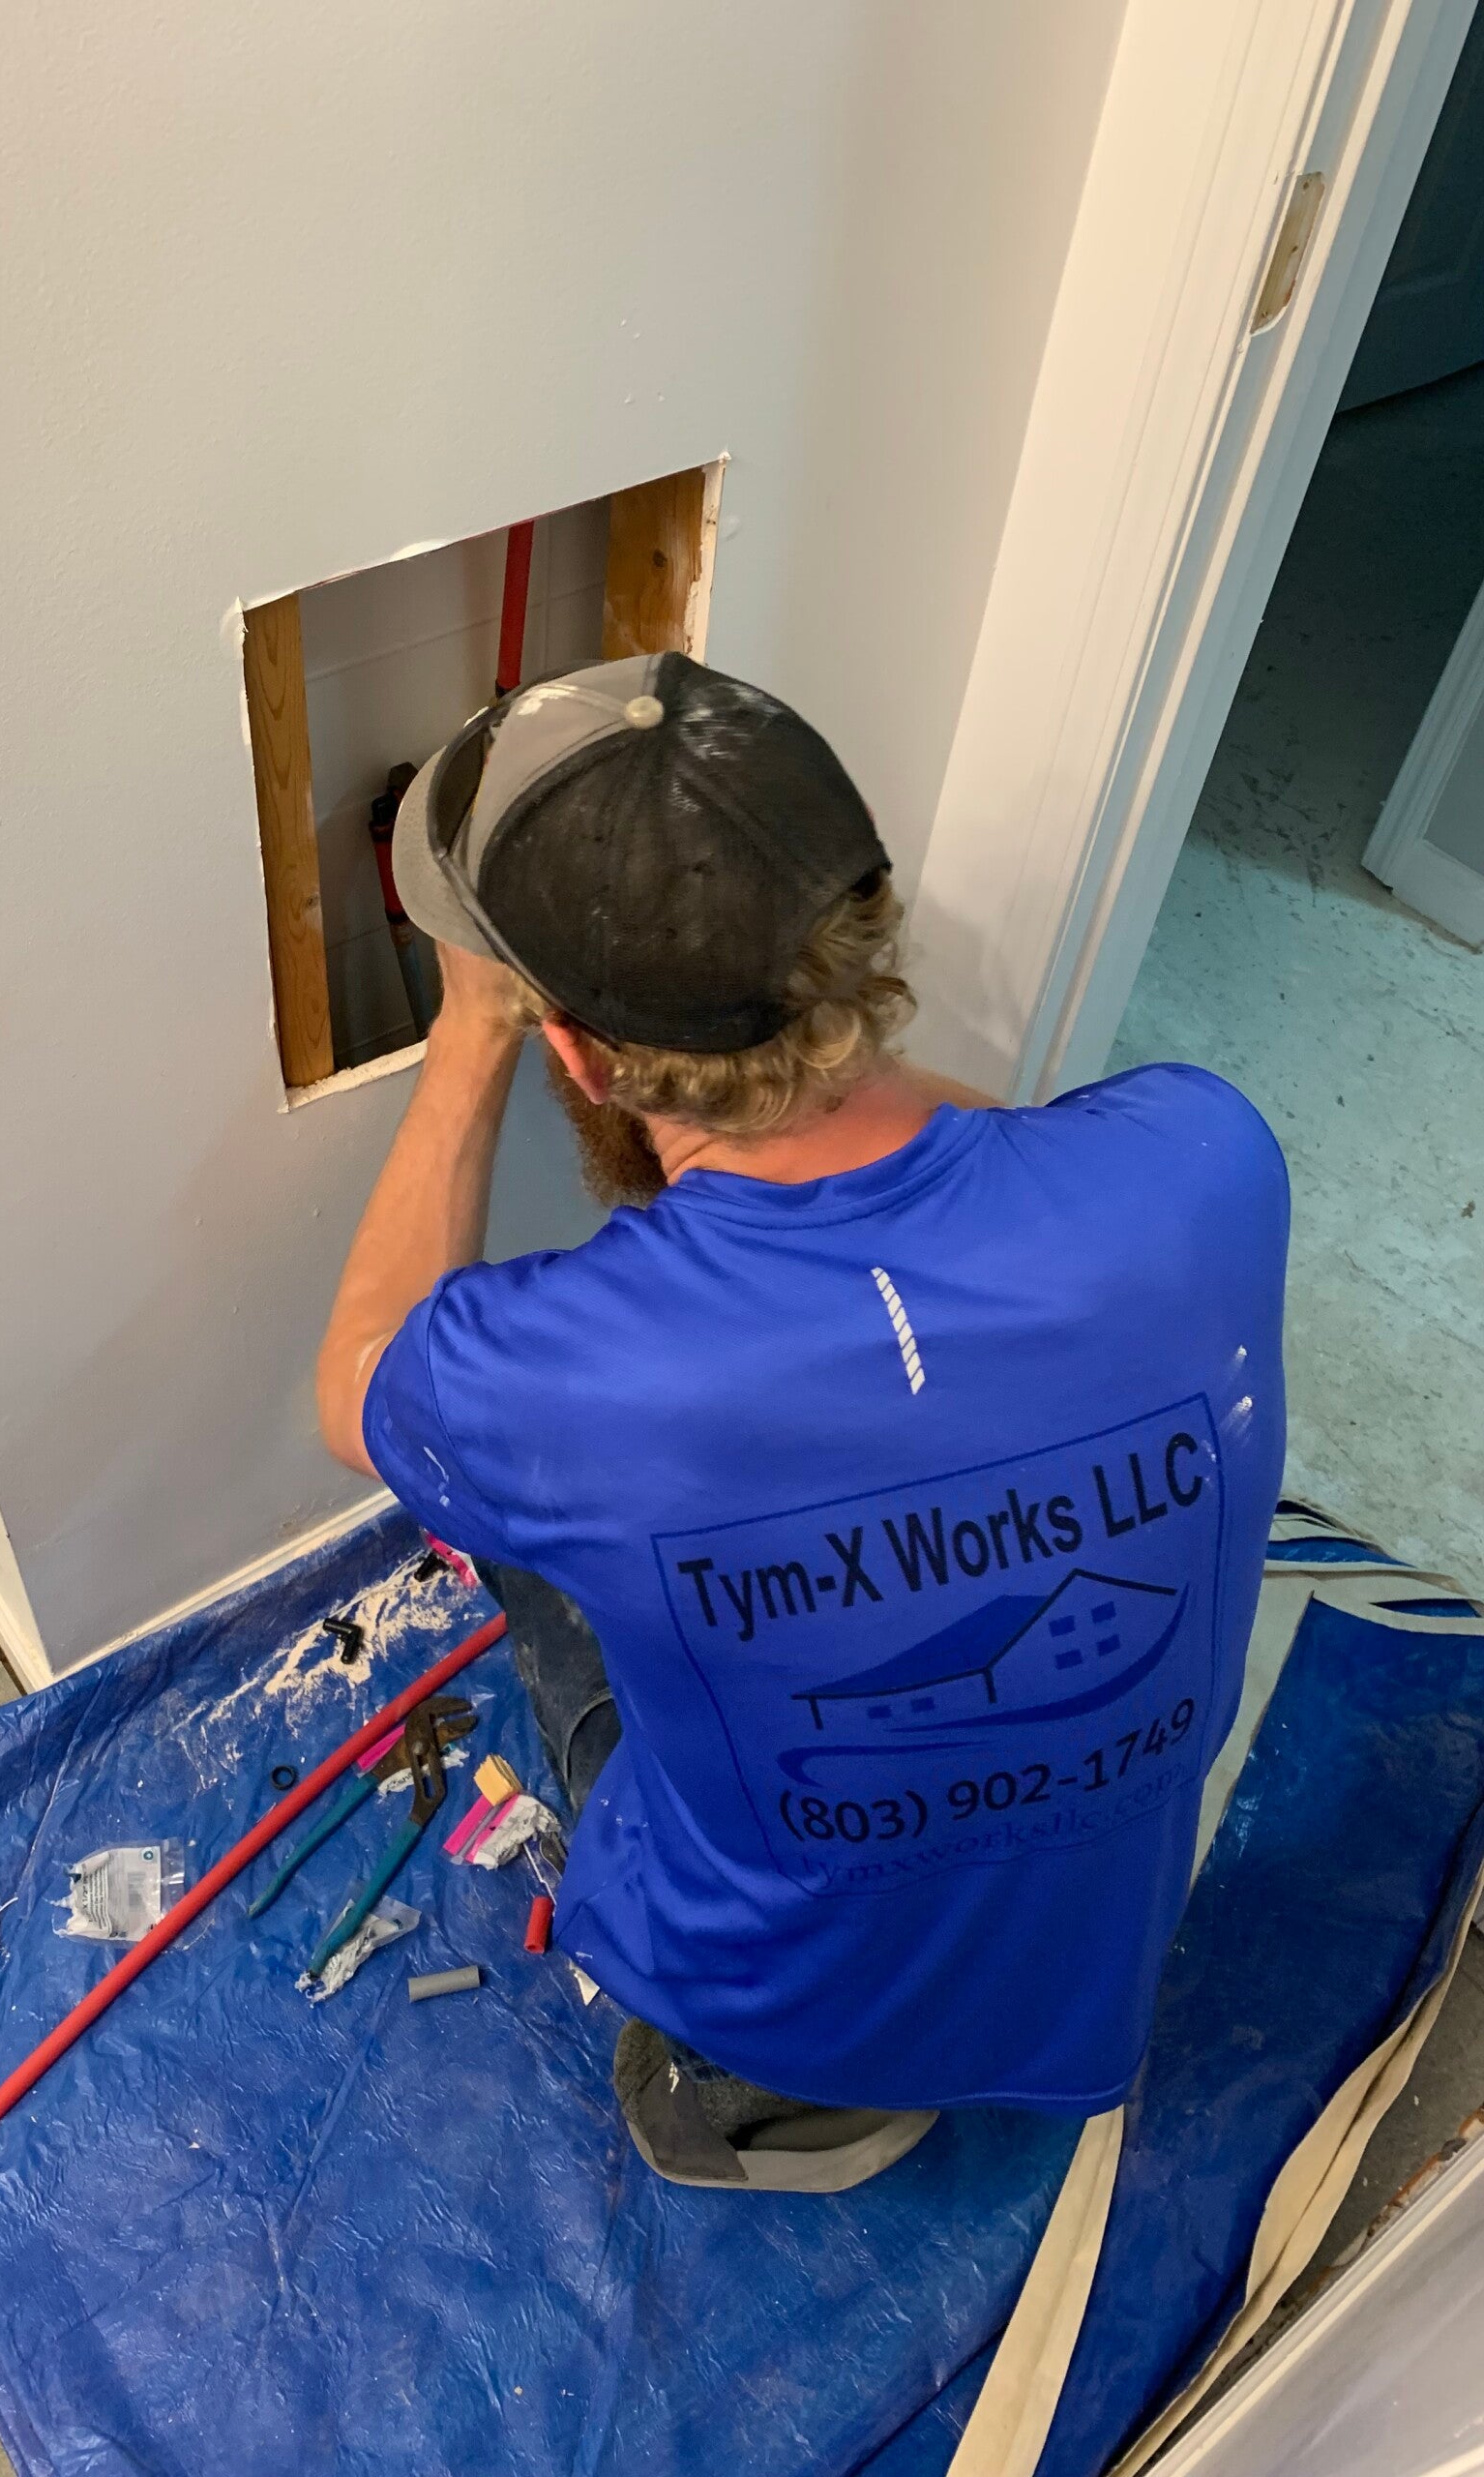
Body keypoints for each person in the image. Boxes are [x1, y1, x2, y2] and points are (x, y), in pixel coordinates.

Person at [315, 653, 1288, 2193]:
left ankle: (758, 2104)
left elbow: (358, 1378)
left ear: (578, 1050)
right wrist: (831, 1066)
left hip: (782, 2019)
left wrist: (472, 1025)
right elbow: (1001, 1148)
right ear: (864, 934)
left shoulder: (568, 1381)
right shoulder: (1205, 1163)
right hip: (1098, 1961)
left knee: (522, 1525)